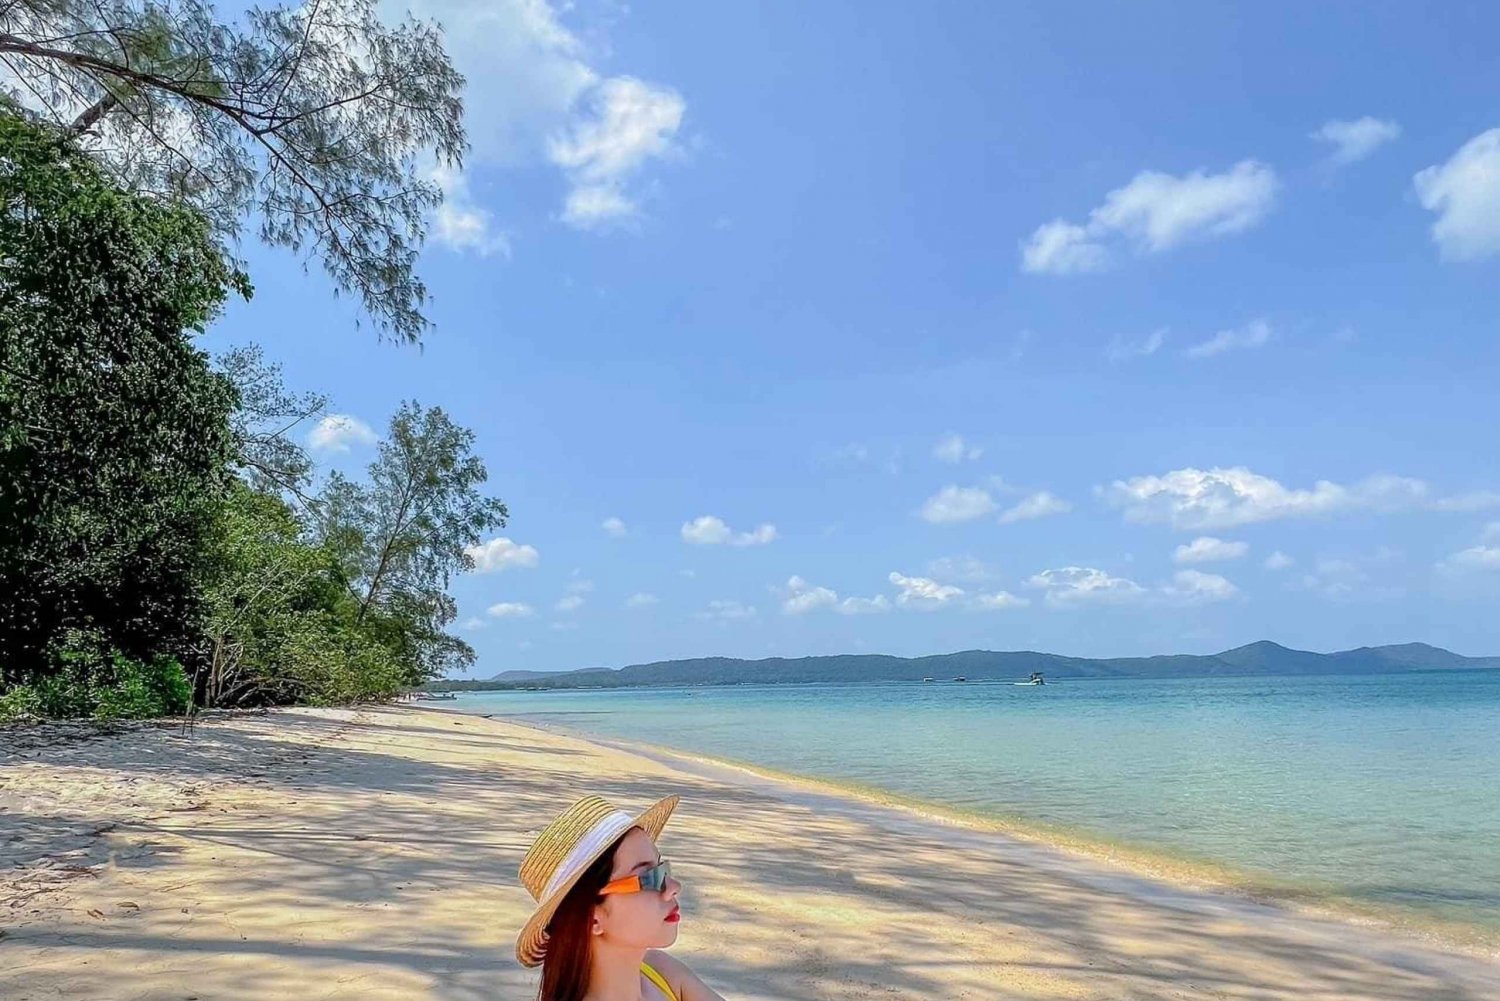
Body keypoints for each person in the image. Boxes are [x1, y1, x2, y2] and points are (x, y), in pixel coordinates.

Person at [516, 793, 727, 1001]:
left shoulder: (662, 973)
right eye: (648, 878)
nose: (673, 887)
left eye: (663, 869)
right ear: (593, 918)